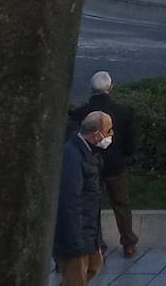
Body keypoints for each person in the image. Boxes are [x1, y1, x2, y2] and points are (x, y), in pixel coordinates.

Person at [70, 71, 138, 257]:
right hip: (115, 165)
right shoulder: (124, 112)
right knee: (121, 203)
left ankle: (98, 245)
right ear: (110, 88)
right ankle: (128, 243)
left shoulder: (80, 113)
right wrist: (127, 157)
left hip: (89, 164)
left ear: (92, 89)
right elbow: (131, 142)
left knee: (92, 205)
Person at [54, 111, 113, 286]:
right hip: (75, 235)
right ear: (96, 134)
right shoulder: (72, 155)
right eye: (109, 130)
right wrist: (74, 241)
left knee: (94, 265)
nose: (111, 135)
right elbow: (69, 200)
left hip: (88, 231)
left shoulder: (89, 152)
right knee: (75, 279)